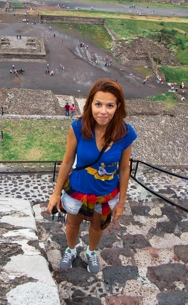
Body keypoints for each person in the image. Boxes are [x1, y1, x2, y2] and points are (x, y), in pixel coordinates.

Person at [47, 78, 137, 274]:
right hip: (78, 189)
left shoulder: (125, 133)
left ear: (118, 106)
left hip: (106, 193)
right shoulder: (78, 128)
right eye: (98, 104)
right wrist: (55, 194)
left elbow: (124, 168)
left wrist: (121, 202)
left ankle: (91, 251)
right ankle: (70, 250)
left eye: (109, 105)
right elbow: (68, 161)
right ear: (90, 104)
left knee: (97, 227)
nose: (103, 111)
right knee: (72, 223)